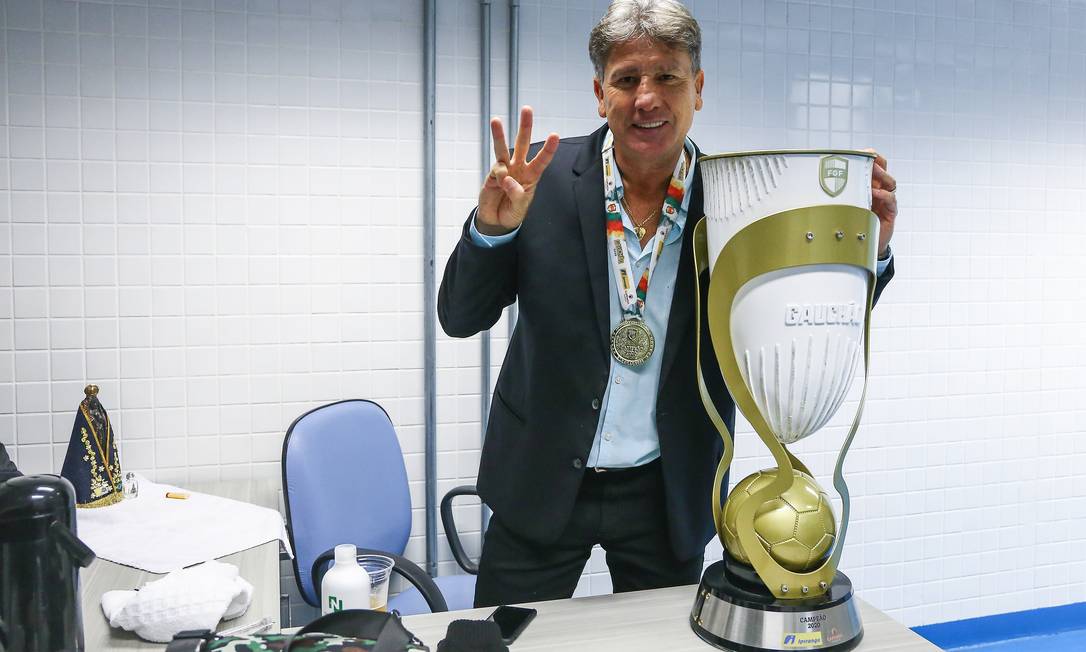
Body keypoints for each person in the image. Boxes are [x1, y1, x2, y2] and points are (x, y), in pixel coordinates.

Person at [438, 0, 897, 608]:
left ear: (697, 88)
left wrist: (873, 248)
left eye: (667, 77)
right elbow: (459, 317)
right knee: (505, 639)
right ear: (601, 94)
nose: (646, 98)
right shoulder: (540, 183)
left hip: (668, 485)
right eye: (626, 79)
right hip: (541, 476)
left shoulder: (738, 197)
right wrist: (492, 232)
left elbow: (802, 306)